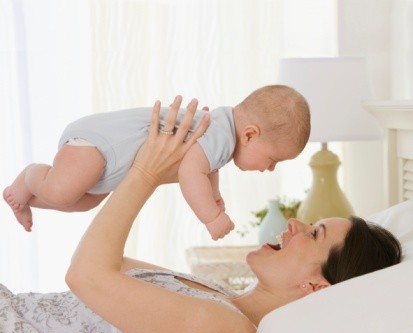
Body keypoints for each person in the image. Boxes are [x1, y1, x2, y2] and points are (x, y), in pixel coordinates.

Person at [0, 98, 401, 333]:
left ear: (315, 285)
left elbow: (86, 275)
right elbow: (111, 265)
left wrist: (146, 172)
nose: (295, 223)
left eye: (314, 233)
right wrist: (140, 163)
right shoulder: (218, 296)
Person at [3, 85, 310, 240]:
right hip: (99, 146)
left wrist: (215, 198)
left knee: (84, 202)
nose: (269, 169)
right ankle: (30, 176)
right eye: (273, 160)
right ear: (251, 134)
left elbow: (204, 169)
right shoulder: (220, 134)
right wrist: (210, 217)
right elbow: (192, 173)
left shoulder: (222, 138)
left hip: (108, 167)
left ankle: (28, 198)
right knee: (62, 193)